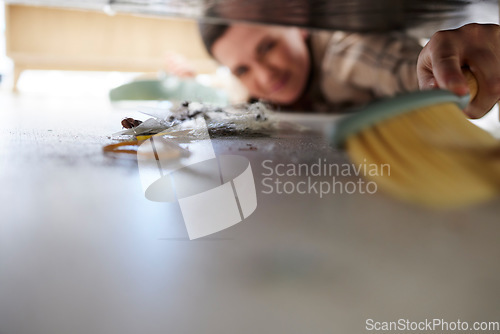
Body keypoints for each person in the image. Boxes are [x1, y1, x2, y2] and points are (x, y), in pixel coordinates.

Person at [199, 22, 500, 118]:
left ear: (299, 24)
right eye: (242, 69)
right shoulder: (254, 97)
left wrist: (447, 72)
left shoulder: (350, 54)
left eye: (267, 47)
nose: (264, 77)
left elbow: (410, 74)